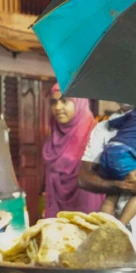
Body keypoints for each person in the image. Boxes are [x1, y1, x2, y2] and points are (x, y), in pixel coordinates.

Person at [78, 108, 136, 252]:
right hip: (117, 240)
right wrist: (120, 185)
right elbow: (83, 179)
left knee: (111, 198)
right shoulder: (102, 128)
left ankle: (108, 229)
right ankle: (114, 229)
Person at [42, 86, 104, 218]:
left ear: (79, 102)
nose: (57, 107)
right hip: (58, 216)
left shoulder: (96, 135)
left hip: (88, 213)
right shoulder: (53, 138)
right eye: (54, 102)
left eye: (64, 101)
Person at [94, 108, 136, 225]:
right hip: (126, 156)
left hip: (109, 151)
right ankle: (120, 226)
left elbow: (113, 123)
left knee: (112, 195)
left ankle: (101, 226)